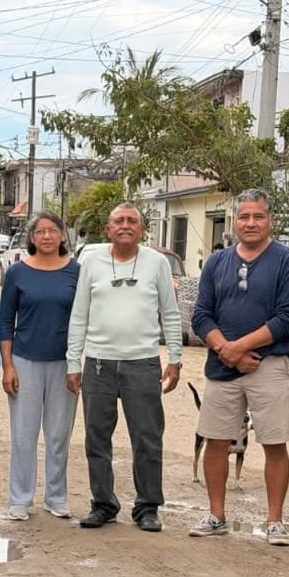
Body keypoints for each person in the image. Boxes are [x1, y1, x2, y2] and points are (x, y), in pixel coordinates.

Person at [189, 188, 289, 546]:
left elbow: (287, 318)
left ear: (271, 220)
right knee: (216, 441)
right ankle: (216, 515)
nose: (251, 223)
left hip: (270, 363)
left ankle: (275, 521)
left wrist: (239, 347)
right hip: (222, 367)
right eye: (244, 216)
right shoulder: (217, 262)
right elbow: (201, 315)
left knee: (274, 442)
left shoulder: (288, 261)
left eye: (258, 216)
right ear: (234, 221)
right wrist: (225, 350)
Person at [66, 202, 184, 532]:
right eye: (118, 220)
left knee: (147, 438)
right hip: (99, 364)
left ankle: (147, 507)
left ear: (143, 229)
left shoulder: (157, 263)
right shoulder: (91, 261)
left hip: (142, 363)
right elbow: (79, 314)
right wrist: (73, 361)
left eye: (132, 221)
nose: (125, 225)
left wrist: (175, 358)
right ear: (108, 229)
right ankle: (103, 504)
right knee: (96, 438)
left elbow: (170, 312)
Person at [0, 210, 80, 520]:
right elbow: (6, 322)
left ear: (63, 236)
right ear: (31, 238)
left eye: (53, 230)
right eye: (40, 231)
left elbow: (84, 318)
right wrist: (8, 366)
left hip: (64, 363)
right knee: (24, 434)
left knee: (59, 435)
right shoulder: (17, 273)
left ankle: (56, 497)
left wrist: (77, 363)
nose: (47, 236)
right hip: (24, 361)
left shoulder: (77, 272)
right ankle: (20, 498)